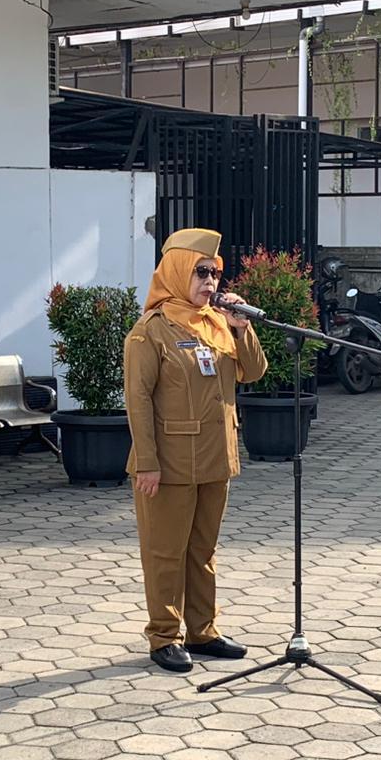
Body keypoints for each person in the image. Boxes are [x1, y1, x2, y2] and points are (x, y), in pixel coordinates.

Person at [123, 228, 268, 674]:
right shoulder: (151, 332)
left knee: (202, 551)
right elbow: (138, 400)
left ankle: (202, 631)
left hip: (215, 457)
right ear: (176, 271)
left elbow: (253, 372)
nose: (210, 282)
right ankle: (164, 636)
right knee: (165, 552)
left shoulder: (217, 324)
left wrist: (242, 329)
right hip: (168, 463)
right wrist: (147, 463)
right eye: (200, 272)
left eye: (215, 273)